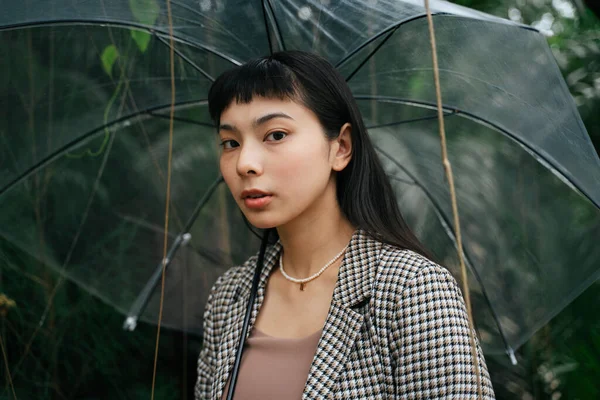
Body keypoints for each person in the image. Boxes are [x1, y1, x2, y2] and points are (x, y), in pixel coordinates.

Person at [195, 50, 496, 399]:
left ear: (341, 147)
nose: (245, 163)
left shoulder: (411, 290)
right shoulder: (230, 297)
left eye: (275, 135)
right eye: (230, 143)